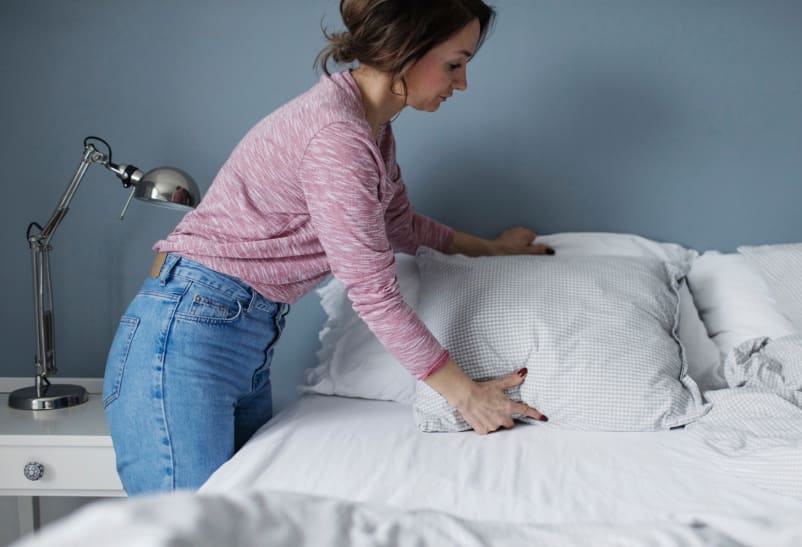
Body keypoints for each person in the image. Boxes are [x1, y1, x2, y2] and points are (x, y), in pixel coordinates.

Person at [102, 0, 552, 496]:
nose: (462, 83)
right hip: (190, 331)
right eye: (454, 63)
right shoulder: (338, 137)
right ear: (406, 49)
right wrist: (467, 398)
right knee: (184, 529)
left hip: (231, 329)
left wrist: (491, 249)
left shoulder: (371, 130)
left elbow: (400, 225)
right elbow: (373, 293)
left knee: (232, 523)